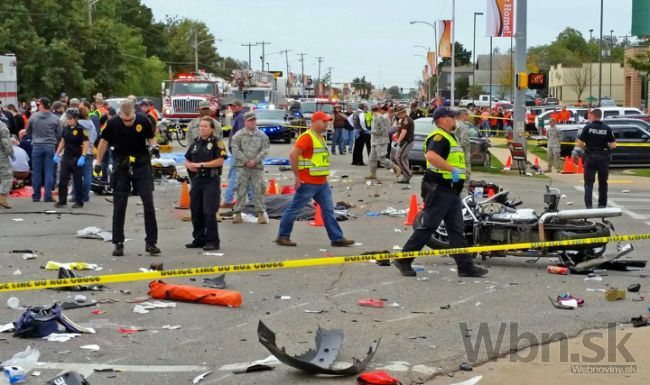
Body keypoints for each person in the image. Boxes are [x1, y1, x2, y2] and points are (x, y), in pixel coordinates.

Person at [395, 107, 488, 278]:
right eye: (451, 117)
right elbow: (431, 155)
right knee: (429, 226)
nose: (454, 120)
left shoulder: (450, 137)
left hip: (451, 190)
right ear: (442, 120)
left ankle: (465, 266)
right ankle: (404, 259)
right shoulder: (439, 137)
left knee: (456, 229)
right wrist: (451, 169)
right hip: (439, 188)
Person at [276, 111, 354, 247]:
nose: (326, 124)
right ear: (315, 121)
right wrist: (297, 176)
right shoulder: (307, 137)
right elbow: (293, 154)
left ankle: (337, 238)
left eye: (327, 121)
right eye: (324, 121)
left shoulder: (319, 137)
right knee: (294, 209)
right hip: (308, 182)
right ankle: (283, 236)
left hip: (321, 182)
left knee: (328, 210)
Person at [94, 101, 161, 257]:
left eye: (130, 119)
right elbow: (103, 142)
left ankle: (151, 242)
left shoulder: (143, 120)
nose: (128, 122)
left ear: (134, 113)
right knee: (119, 205)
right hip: (121, 165)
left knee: (148, 202)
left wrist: (154, 147)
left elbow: (151, 137)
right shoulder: (112, 123)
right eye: (125, 120)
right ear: (120, 115)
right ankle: (118, 243)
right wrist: (98, 162)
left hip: (141, 163)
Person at [184, 117, 227, 251]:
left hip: (211, 181)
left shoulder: (216, 143)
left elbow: (220, 161)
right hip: (197, 181)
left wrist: (201, 165)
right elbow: (187, 158)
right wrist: (189, 165)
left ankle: (213, 241)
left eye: (205, 126)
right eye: (201, 126)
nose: (202, 128)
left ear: (212, 129)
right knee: (196, 211)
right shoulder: (196, 143)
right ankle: (199, 239)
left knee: (209, 211)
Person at [230, 111, 270, 224]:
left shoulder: (262, 135)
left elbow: (265, 149)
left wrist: (255, 161)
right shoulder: (238, 135)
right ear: (245, 122)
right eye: (250, 120)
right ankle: (237, 214)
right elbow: (235, 149)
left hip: (256, 167)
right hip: (242, 167)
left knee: (259, 190)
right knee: (240, 190)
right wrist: (245, 161)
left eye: (254, 120)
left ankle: (261, 213)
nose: (253, 122)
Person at [24, 97, 62, 202]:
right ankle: (47, 196)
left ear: (41, 105)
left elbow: (28, 131)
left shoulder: (33, 117)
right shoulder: (55, 119)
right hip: (50, 146)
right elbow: (59, 135)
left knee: (36, 172)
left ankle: (36, 196)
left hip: (36, 145)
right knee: (49, 172)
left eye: (39, 104)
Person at [576, 108, 616, 209]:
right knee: (603, 182)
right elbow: (613, 145)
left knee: (588, 183)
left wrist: (587, 147)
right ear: (600, 116)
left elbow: (580, 143)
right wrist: (605, 145)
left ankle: (588, 205)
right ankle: (602, 204)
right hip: (603, 158)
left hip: (590, 157)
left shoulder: (587, 127)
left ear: (593, 116)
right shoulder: (607, 128)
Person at [53, 109, 89, 208]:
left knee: (77, 181)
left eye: (70, 119)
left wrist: (83, 156)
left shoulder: (81, 129)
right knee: (63, 179)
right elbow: (62, 141)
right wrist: (57, 153)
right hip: (67, 157)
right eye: (67, 118)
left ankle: (79, 201)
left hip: (77, 157)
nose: (68, 120)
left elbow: (86, 143)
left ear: (76, 119)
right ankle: (62, 201)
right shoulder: (66, 128)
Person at [222, 99, 252, 208]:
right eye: (231, 106)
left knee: (233, 175)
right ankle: (252, 200)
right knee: (247, 177)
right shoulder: (240, 116)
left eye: (234, 106)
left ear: (240, 106)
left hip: (238, 153)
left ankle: (228, 200)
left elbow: (240, 136)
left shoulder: (240, 118)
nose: (231, 108)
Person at [366, 105, 400, 180]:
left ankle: (396, 167)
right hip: (375, 141)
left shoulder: (380, 118)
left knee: (382, 159)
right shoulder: (375, 117)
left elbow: (382, 130)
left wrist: (371, 132)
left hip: (381, 141)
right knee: (372, 158)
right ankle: (373, 173)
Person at [77, 106, 97, 202]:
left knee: (76, 174)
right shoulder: (91, 124)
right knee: (87, 174)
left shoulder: (76, 125)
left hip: (78, 151)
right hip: (89, 150)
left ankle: (77, 195)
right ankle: (86, 196)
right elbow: (95, 136)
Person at [394, 105, 414, 183]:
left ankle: (408, 173)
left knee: (398, 157)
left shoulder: (406, 121)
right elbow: (399, 130)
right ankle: (406, 177)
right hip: (406, 142)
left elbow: (403, 132)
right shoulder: (403, 120)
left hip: (406, 142)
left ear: (403, 113)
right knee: (404, 158)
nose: (398, 115)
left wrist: (398, 141)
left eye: (399, 114)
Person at [455, 108, 472, 182]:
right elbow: (464, 142)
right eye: (467, 115)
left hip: (455, 157)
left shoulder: (454, 124)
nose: (468, 117)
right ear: (463, 115)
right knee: (465, 177)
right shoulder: (463, 126)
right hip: (462, 156)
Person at [0, 120, 12, 209]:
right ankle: (2, 197)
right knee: (7, 176)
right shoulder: (2, 125)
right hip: (1, 155)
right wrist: (10, 153)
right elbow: (5, 142)